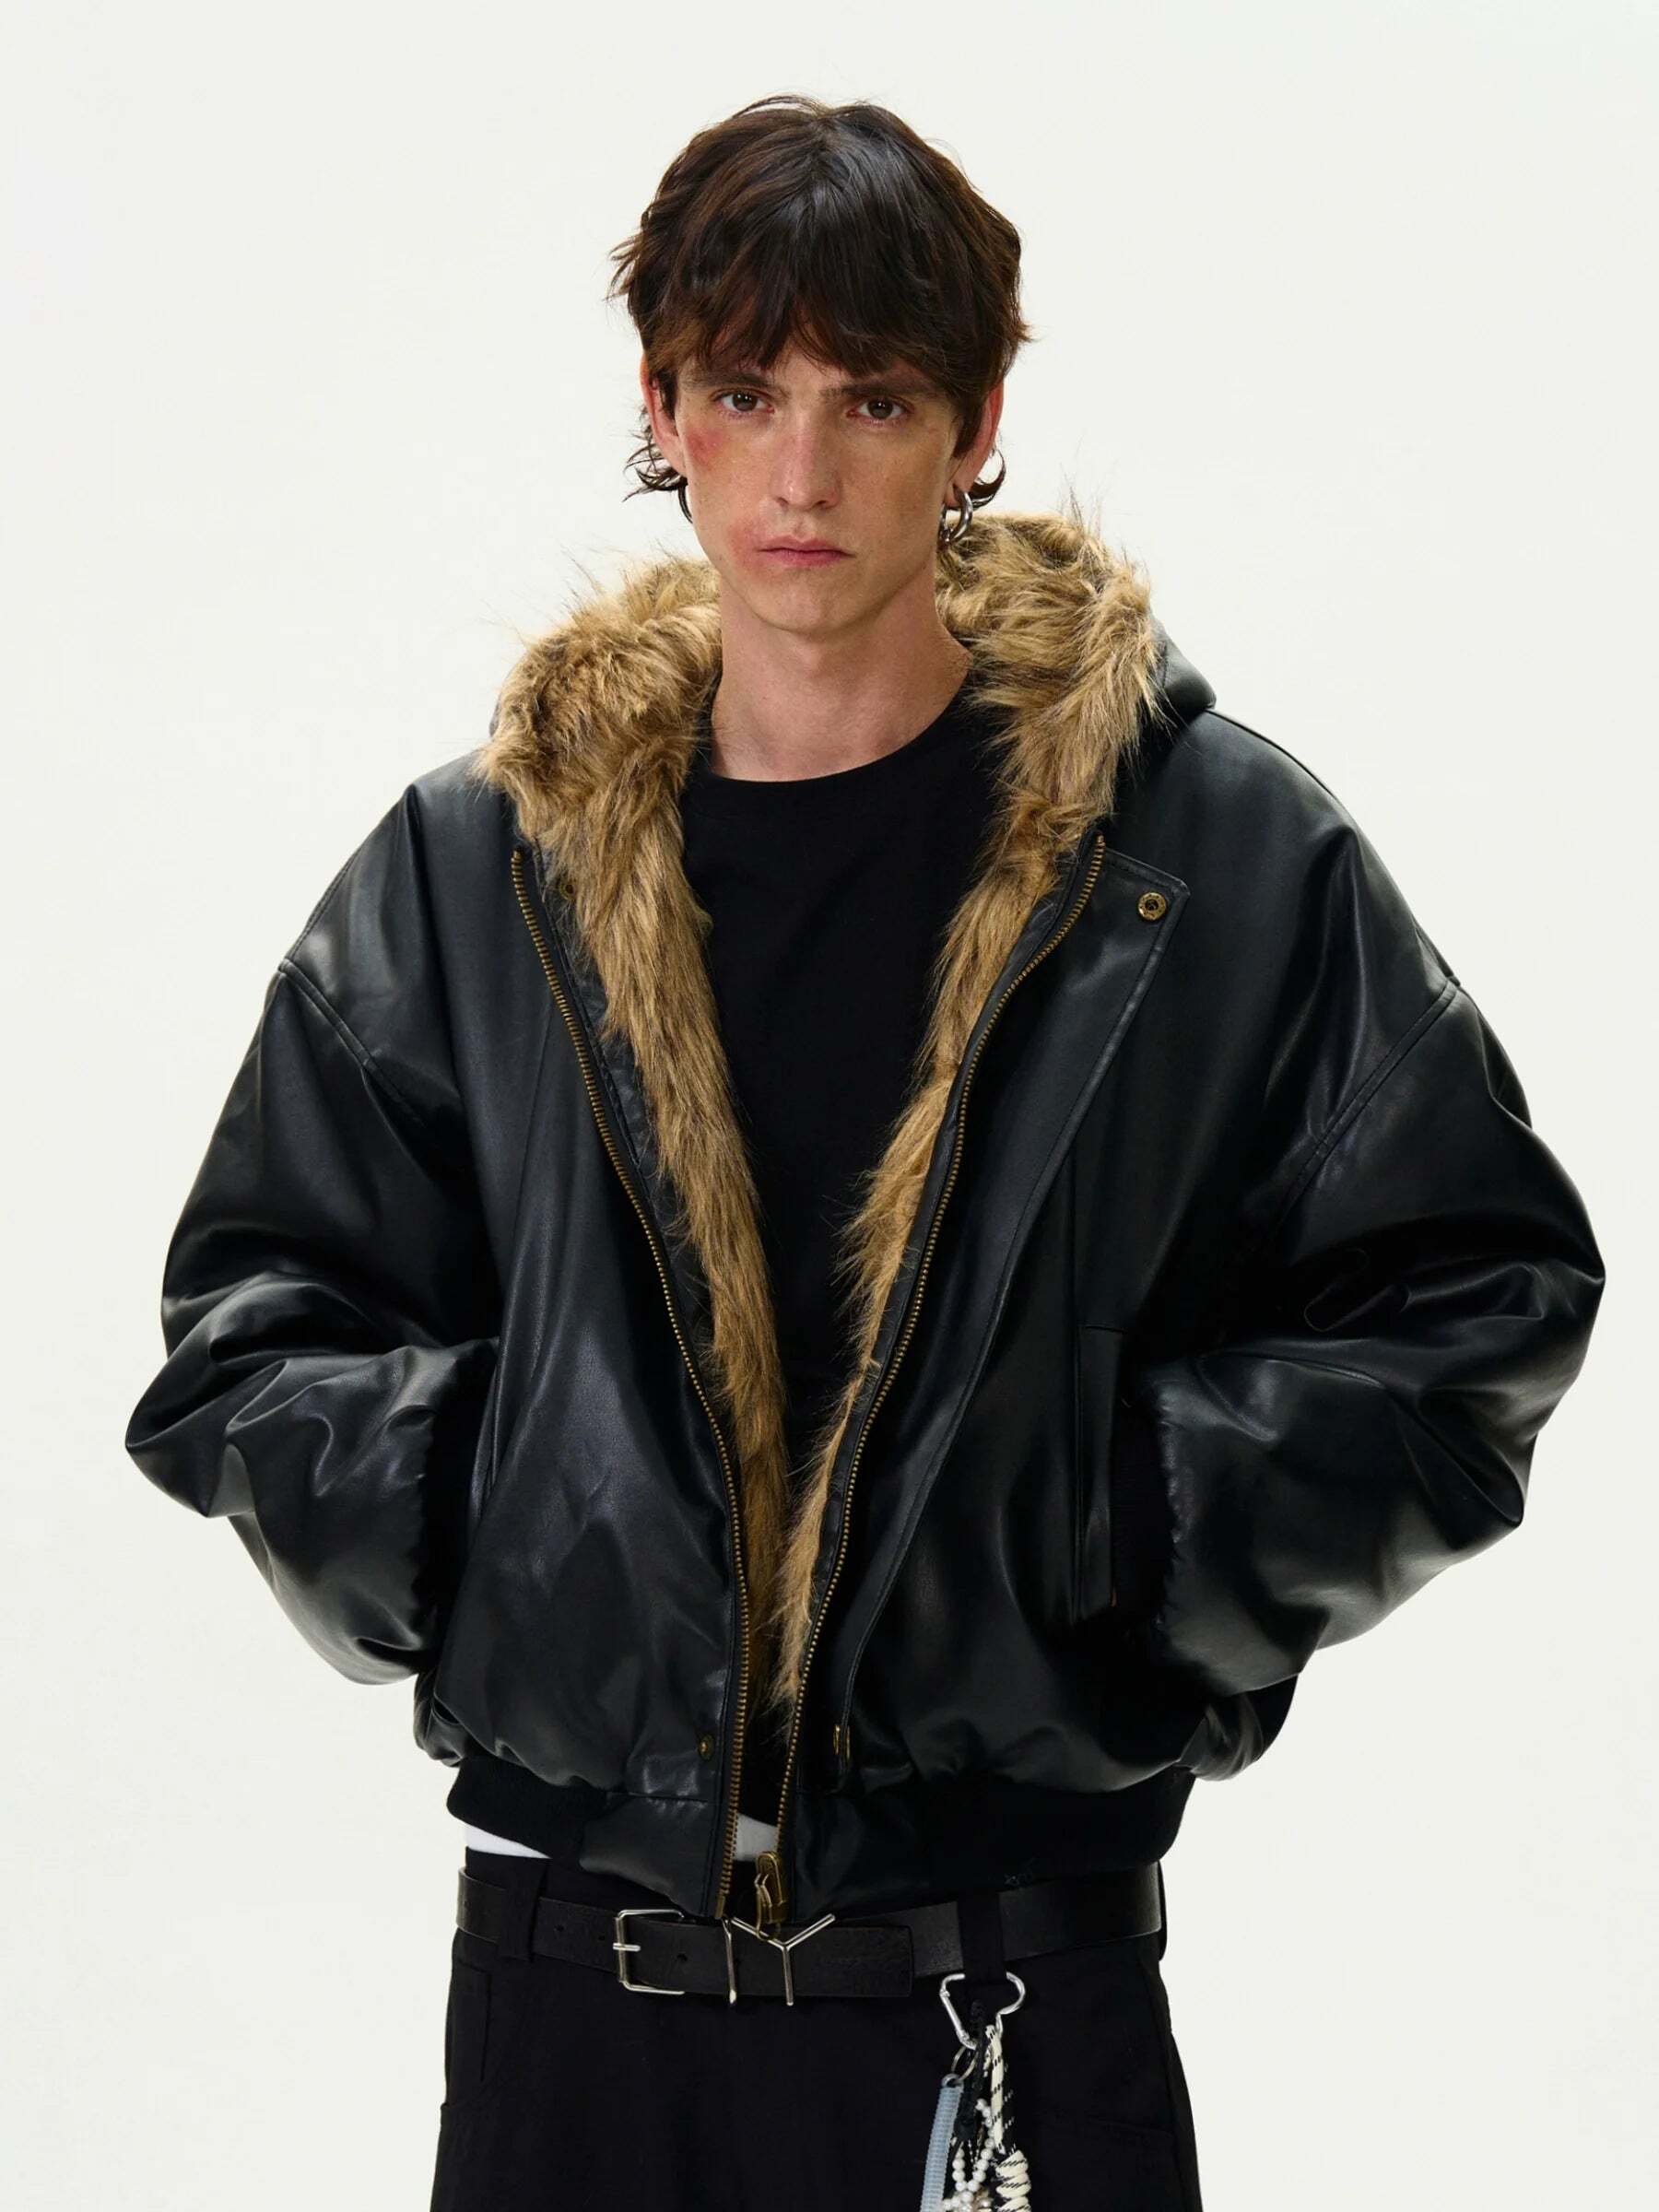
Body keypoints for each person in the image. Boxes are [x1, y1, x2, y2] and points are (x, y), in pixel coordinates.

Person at [124, 92, 1605, 2212]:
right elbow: (254, 1330)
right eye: (746, 393)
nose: (802, 474)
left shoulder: (1206, 860)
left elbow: (1479, 1297)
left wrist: (1118, 1528)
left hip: (1011, 2004)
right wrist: (507, 1533)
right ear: (664, 412)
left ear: (978, 425)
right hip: (575, 2020)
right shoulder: (480, 874)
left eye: (875, 399)